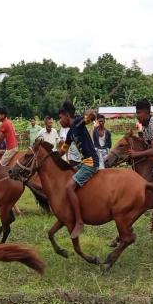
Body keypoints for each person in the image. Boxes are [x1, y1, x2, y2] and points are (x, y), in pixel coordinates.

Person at [56, 101, 99, 239]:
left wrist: (91, 114)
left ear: (67, 116)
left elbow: (91, 117)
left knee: (69, 187)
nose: (59, 120)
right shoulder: (70, 133)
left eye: (60, 117)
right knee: (67, 176)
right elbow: (62, 151)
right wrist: (49, 157)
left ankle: (79, 222)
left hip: (91, 163)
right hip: (83, 162)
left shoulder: (79, 122)